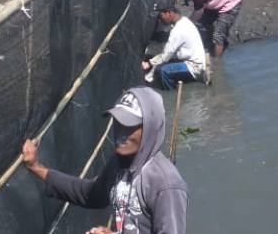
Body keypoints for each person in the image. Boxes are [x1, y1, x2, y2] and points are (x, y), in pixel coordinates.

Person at [21, 87, 188, 234]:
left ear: (150, 128)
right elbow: (90, 194)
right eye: (118, 123)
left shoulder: (166, 185)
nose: (121, 132)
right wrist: (37, 167)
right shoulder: (119, 164)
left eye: (130, 126)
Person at [164, 0, 242, 58]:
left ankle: (217, 62)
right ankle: (213, 40)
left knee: (218, 34)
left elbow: (198, 12)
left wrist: (184, 25)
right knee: (204, 20)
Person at [143, 0, 206, 90]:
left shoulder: (178, 31)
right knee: (164, 64)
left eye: (160, 16)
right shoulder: (184, 21)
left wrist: (149, 64)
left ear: (169, 13)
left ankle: (170, 93)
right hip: (192, 62)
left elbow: (164, 56)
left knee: (162, 70)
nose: (159, 19)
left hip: (195, 68)